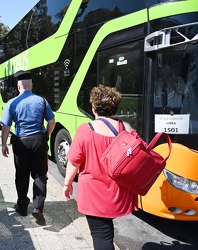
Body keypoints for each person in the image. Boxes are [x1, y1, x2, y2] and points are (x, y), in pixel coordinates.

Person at [63, 84, 138, 249]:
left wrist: (67, 184)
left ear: (94, 106)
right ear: (115, 107)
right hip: (119, 193)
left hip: (95, 196)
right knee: (106, 230)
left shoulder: (86, 130)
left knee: (101, 236)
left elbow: (74, 162)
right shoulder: (126, 128)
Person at [1, 70, 55, 226]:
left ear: (18, 86)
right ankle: (38, 208)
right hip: (39, 141)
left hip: (21, 143)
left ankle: (22, 206)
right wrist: (46, 134)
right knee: (40, 175)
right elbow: (51, 122)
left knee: (22, 174)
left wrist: (4, 144)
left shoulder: (12, 103)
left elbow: (6, 126)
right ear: (31, 84)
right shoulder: (42, 101)